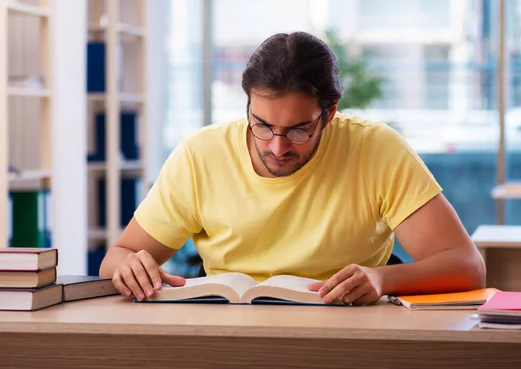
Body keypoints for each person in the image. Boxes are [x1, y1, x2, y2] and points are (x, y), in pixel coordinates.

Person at [99, 31, 485, 305]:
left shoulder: (375, 148)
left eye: (299, 130)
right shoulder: (200, 154)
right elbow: (116, 257)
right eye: (262, 125)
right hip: (228, 330)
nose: (276, 147)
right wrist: (131, 266)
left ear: (329, 114)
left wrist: (382, 278)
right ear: (247, 104)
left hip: (347, 331)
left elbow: (466, 267)